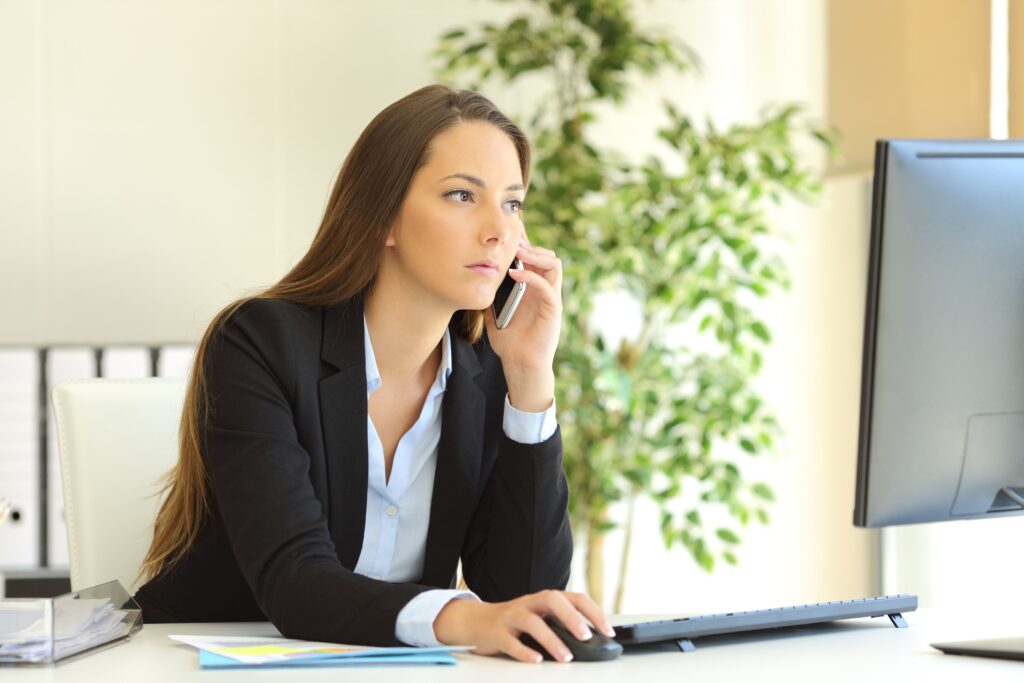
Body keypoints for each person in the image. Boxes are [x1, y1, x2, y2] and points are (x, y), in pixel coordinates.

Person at [134, 84, 613, 664]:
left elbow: (520, 593)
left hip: (389, 667)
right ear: (383, 217)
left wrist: (530, 377)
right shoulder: (260, 342)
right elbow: (295, 581)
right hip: (196, 663)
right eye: (463, 195)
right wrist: (461, 615)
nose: (499, 230)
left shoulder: (487, 374)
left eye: (513, 203)